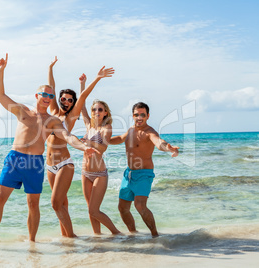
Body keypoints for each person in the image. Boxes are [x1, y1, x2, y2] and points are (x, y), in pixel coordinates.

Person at [0, 54, 99, 249]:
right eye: (44, 94)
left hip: (35, 163)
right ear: (37, 96)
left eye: (51, 96)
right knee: (0, 197)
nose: (47, 98)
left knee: (33, 204)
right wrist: (1, 71)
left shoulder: (53, 121)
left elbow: (68, 137)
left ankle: (32, 242)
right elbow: (0, 95)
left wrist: (84, 147)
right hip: (15, 159)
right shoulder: (22, 111)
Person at [46, 56, 115, 237]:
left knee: (57, 203)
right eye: (64, 99)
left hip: (65, 163)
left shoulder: (72, 116)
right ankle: (67, 237)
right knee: (61, 204)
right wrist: (50, 68)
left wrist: (96, 78)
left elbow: (83, 98)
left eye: (70, 100)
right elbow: (51, 89)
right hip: (49, 165)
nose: (67, 102)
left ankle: (73, 237)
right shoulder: (53, 112)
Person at [110, 102, 179, 237]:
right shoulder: (130, 130)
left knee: (140, 205)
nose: (139, 117)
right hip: (128, 174)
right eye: (136, 114)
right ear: (133, 116)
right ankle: (133, 234)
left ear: (147, 116)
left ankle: (155, 235)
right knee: (123, 208)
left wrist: (168, 148)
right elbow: (119, 138)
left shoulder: (149, 132)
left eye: (142, 114)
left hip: (144, 174)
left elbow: (159, 142)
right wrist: (102, 140)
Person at [80, 99, 122, 235]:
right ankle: (97, 236)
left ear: (105, 113)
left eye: (100, 109)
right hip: (85, 172)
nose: (96, 112)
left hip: (99, 174)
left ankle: (117, 233)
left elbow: (103, 147)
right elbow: (81, 105)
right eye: (94, 109)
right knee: (89, 209)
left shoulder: (106, 128)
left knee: (94, 210)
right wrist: (82, 83)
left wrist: (88, 142)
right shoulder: (89, 127)